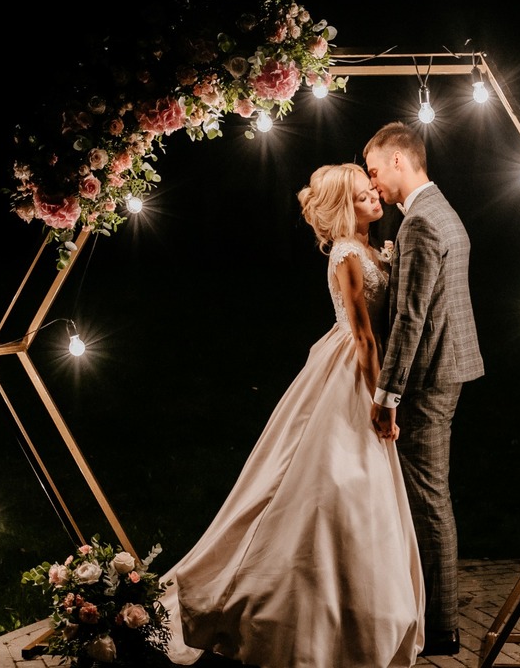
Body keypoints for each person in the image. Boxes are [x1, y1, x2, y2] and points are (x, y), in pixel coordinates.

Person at [158, 163, 425, 667]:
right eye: (362, 193)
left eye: (371, 188)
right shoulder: (347, 254)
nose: (374, 194)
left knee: (358, 489)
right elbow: (364, 337)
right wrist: (381, 402)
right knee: (333, 480)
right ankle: (290, 606)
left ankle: (356, 610)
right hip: (351, 369)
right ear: (344, 207)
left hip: (362, 363)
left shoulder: (372, 247)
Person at [363, 121, 485, 657]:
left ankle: (441, 627)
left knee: (430, 500)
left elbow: (411, 318)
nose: (373, 183)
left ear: (398, 160)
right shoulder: (441, 209)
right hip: (448, 368)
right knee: (431, 495)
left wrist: (386, 396)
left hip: (429, 377)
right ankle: (434, 615)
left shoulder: (418, 223)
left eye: (374, 170)